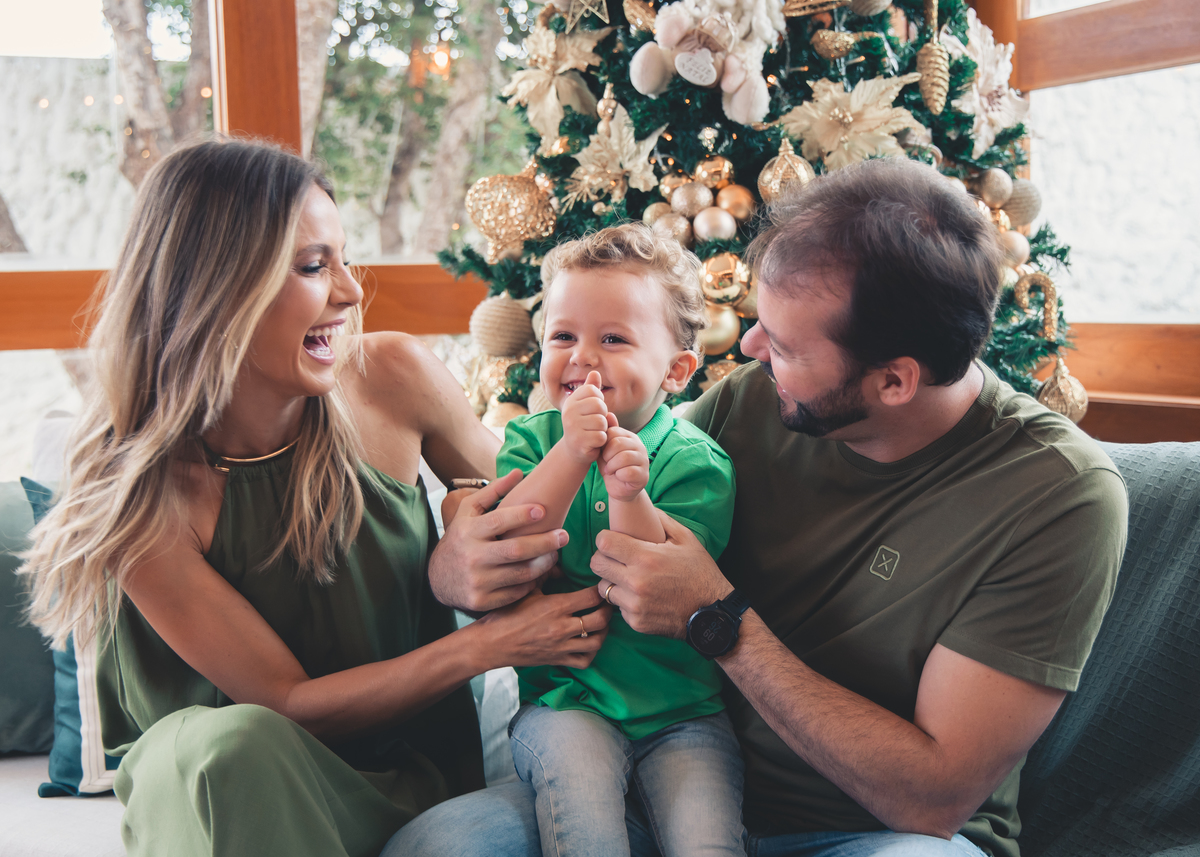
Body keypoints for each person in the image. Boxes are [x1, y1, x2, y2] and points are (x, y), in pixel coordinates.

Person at [391, 157, 1128, 857]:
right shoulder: (756, 400)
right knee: (440, 846)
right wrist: (461, 560)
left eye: (783, 345)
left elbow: (931, 799)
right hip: (656, 787)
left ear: (894, 381)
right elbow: (596, 484)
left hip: (870, 831)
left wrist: (718, 620)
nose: (747, 348)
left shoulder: (1056, 494)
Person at [19, 138, 612, 857]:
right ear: (216, 286)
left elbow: (540, 505)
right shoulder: (142, 498)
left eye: (343, 259)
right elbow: (287, 704)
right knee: (241, 746)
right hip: (223, 787)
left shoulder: (391, 376)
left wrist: (467, 517)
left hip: (408, 768)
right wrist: (486, 645)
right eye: (312, 266)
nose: (351, 293)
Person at [489, 225, 743, 857]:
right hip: (566, 703)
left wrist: (629, 494)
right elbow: (512, 546)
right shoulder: (530, 442)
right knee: (584, 827)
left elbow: (655, 587)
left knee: (707, 843)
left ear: (676, 370)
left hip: (682, 710)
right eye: (563, 336)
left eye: (613, 339)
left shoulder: (696, 462)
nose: (582, 358)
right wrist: (572, 453)